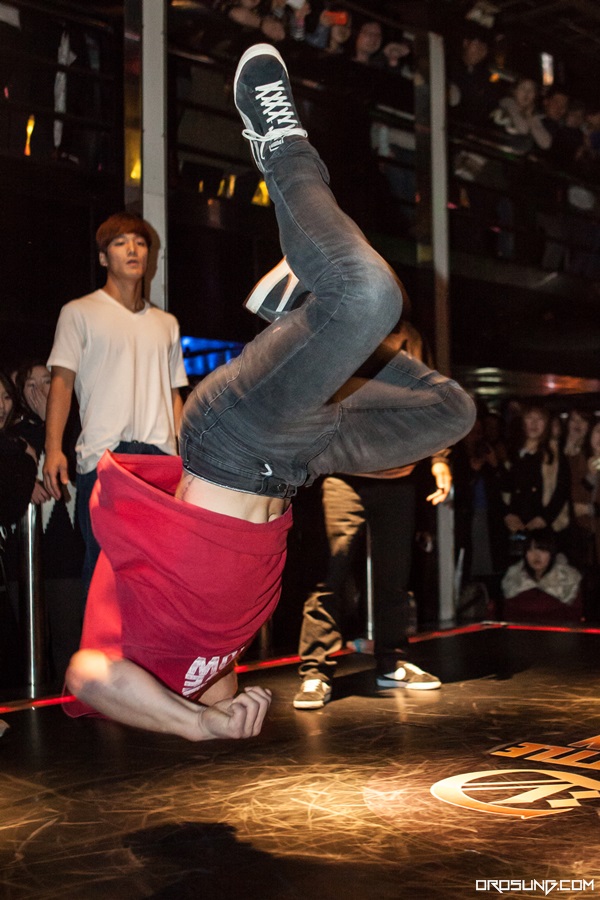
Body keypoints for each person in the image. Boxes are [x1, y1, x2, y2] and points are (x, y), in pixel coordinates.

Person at [62, 44, 475, 742]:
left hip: (231, 442)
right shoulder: (204, 669)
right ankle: (306, 314)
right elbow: (220, 682)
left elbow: (86, 677)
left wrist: (199, 727)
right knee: (450, 411)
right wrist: (218, 709)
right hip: (295, 465)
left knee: (370, 296)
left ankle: (280, 145)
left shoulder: (132, 661)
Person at [294, 319, 454, 710]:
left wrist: (439, 458)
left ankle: (392, 661)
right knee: (330, 572)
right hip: (342, 473)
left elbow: (431, 397)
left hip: (397, 471)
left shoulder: (409, 334)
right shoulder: (341, 323)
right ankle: (315, 670)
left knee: (393, 575)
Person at [43, 212, 189, 595]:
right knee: (105, 573)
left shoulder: (166, 324)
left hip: (159, 458)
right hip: (105, 456)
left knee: (158, 572)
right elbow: (61, 382)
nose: (132, 249)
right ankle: (101, 637)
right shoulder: (79, 313)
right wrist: (53, 448)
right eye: (120, 242)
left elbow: (174, 393)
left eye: (140, 243)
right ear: (103, 257)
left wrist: (183, 455)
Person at [501, 528, 582, 623]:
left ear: (551, 553)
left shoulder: (567, 580)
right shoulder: (513, 580)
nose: (536, 556)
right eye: (530, 550)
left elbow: (574, 617)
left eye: (542, 550)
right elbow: (508, 616)